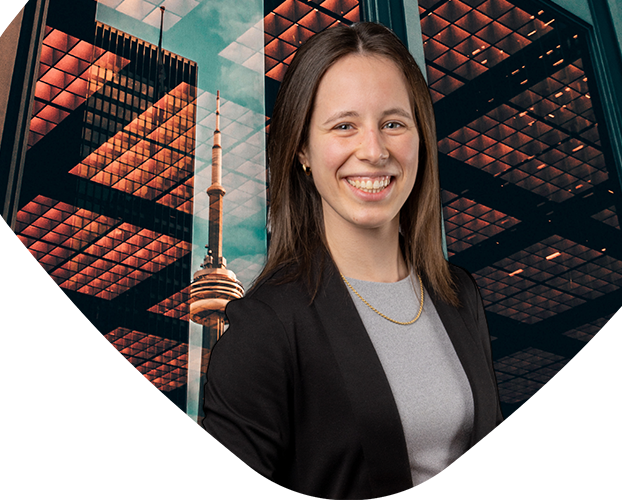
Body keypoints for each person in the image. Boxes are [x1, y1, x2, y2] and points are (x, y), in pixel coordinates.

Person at [202, 22, 502, 499]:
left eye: (393, 123)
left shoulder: (459, 294)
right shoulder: (267, 329)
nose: (374, 151)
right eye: (344, 126)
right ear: (302, 148)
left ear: (420, 138)